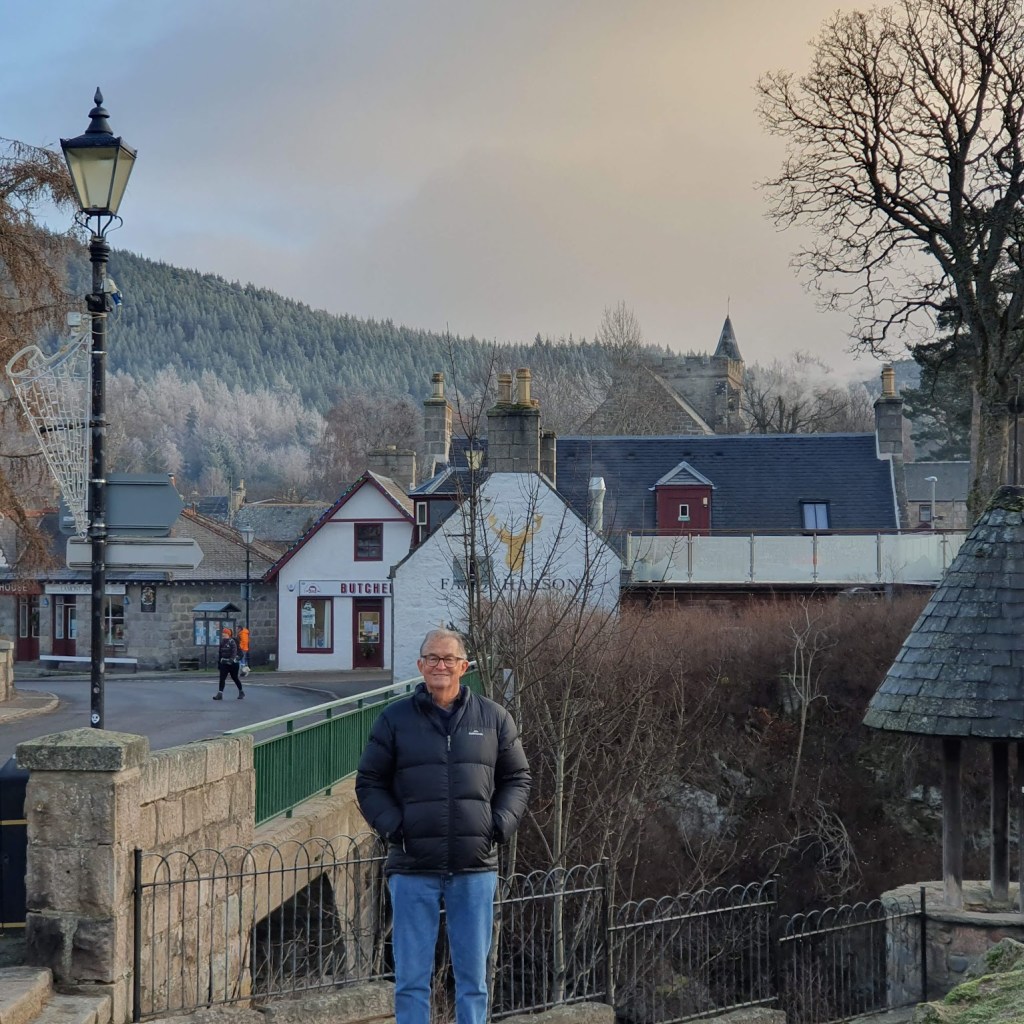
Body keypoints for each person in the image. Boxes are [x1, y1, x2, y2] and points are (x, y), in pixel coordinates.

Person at [355, 628, 531, 1024]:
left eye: (449, 659)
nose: (440, 665)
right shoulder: (394, 719)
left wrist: (498, 826)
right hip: (413, 865)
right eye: (432, 658)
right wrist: (395, 828)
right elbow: (369, 782)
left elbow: (518, 778)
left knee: (473, 978)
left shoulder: (494, 718)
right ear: (420, 666)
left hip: (474, 866)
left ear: (464, 667)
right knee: (411, 979)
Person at [213, 627, 244, 700]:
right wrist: (219, 663)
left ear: (228, 634)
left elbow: (234, 651)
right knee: (222, 678)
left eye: (225, 633)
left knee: (235, 677)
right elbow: (220, 653)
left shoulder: (232, 641)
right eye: (223, 633)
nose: (223, 634)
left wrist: (232, 660)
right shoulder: (222, 642)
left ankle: (241, 691)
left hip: (232, 663)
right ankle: (220, 694)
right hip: (224, 663)